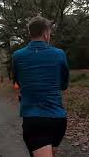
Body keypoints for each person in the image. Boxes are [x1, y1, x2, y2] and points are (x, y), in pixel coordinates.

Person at [12, 16, 70, 157]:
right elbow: (64, 85)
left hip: (34, 120)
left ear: (30, 33)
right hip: (57, 119)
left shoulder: (18, 56)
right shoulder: (59, 54)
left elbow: (18, 82)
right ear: (46, 33)